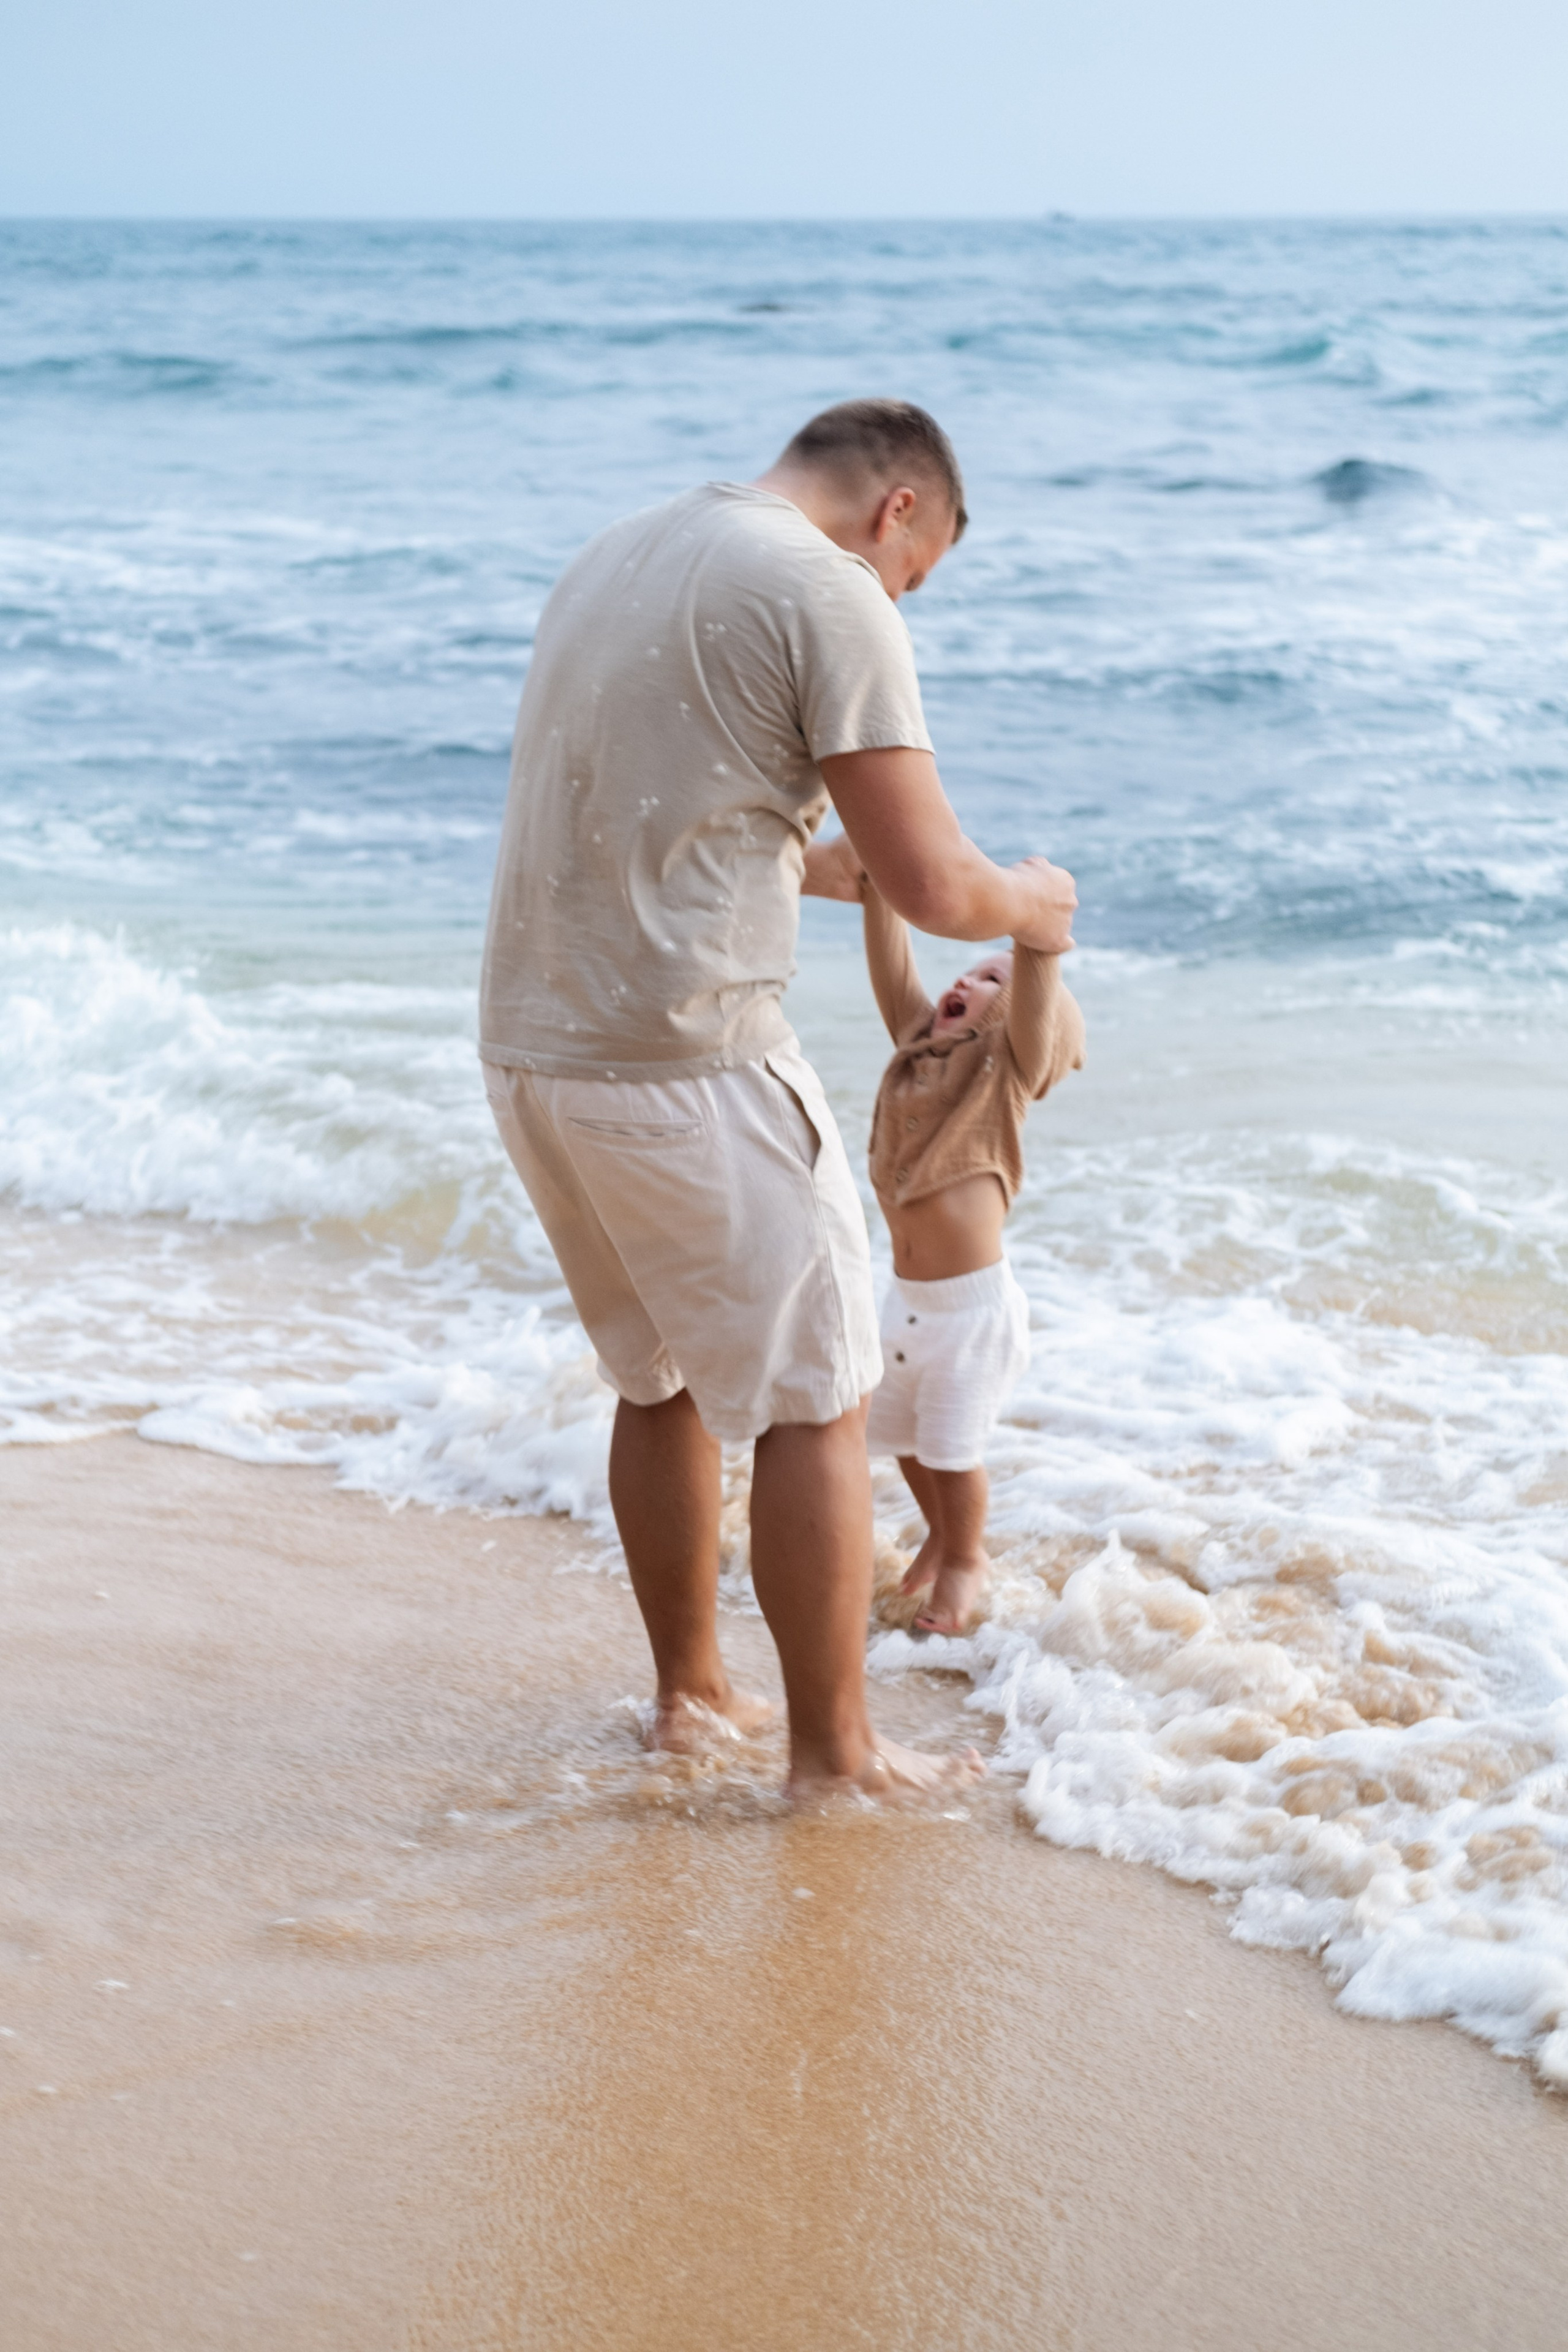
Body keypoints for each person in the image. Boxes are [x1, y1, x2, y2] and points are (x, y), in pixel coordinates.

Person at [478, 398, 1077, 1798]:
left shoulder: (618, 554)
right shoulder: (826, 586)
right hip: (689, 1060)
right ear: (900, 512)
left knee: (661, 1377)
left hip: (532, 1048)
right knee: (818, 1396)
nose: (895, 595)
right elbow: (941, 885)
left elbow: (680, 817)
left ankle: (688, 1694)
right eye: (909, 576)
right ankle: (835, 1754)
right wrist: (1033, 905)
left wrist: (820, 864)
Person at [851, 873, 1084, 1635]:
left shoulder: (1002, 1078)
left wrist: (1034, 936)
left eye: (992, 982)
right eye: (970, 970)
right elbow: (893, 974)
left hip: (973, 1314)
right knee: (897, 1437)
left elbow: (1033, 1016)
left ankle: (965, 1559)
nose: (966, 980)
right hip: (905, 1302)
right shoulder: (921, 1055)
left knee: (952, 1450)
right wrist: (881, 891)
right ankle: (942, 1534)